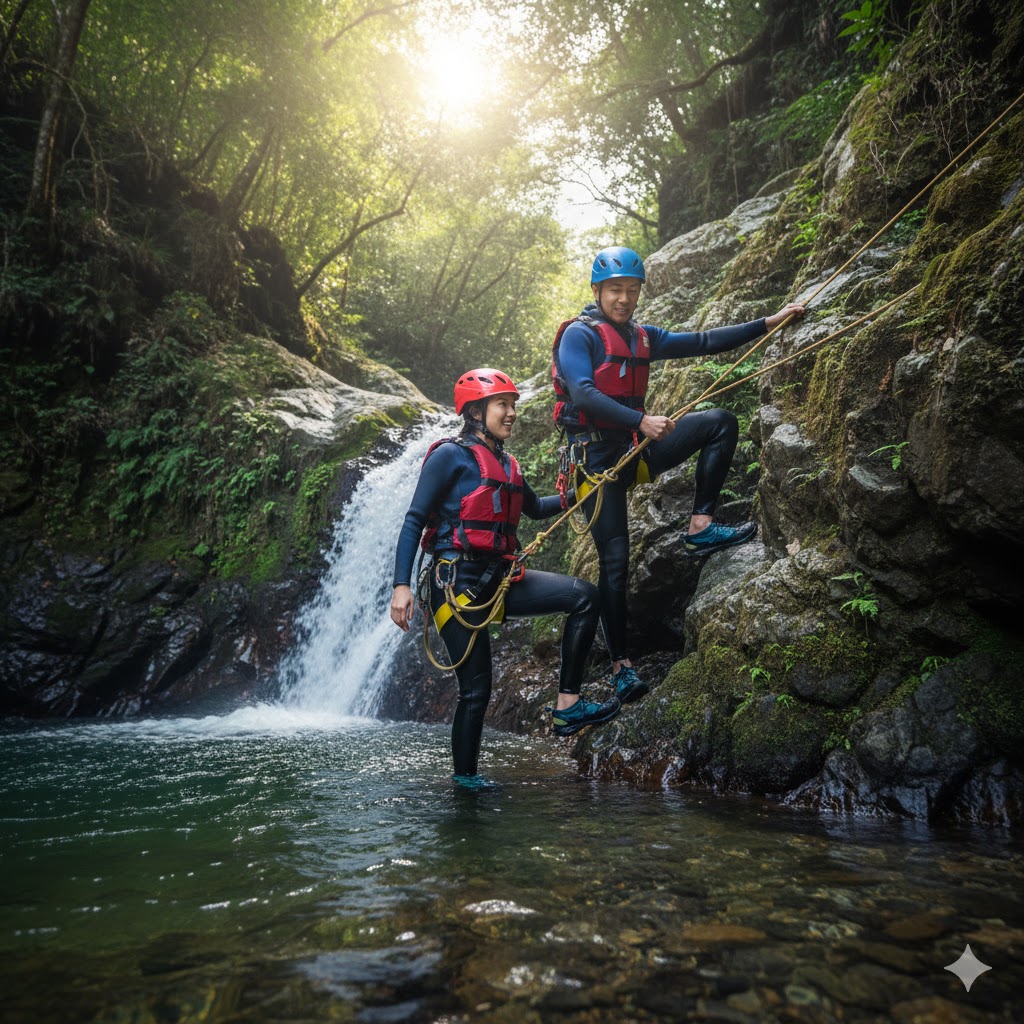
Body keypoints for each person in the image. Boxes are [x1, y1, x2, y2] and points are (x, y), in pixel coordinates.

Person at [551, 245, 806, 703]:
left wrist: (768, 323)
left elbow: (704, 340)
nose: (624, 299)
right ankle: (620, 667)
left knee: (720, 423)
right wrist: (641, 422)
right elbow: (584, 395)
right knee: (615, 563)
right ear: (596, 290)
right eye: (615, 290)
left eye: (632, 290)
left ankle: (700, 527)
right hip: (594, 467)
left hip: (635, 452)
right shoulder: (580, 336)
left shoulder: (643, 337)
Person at [390, 368, 621, 788]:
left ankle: (568, 704)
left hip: (500, 580)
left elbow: (534, 507)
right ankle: (465, 782)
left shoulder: (507, 462)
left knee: (585, 597)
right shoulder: (449, 456)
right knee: (477, 691)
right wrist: (401, 586)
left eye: (513, 405)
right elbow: (413, 521)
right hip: (454, 586)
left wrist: (585, 490)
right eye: (503, 405)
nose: (512, 412)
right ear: (477, 412)